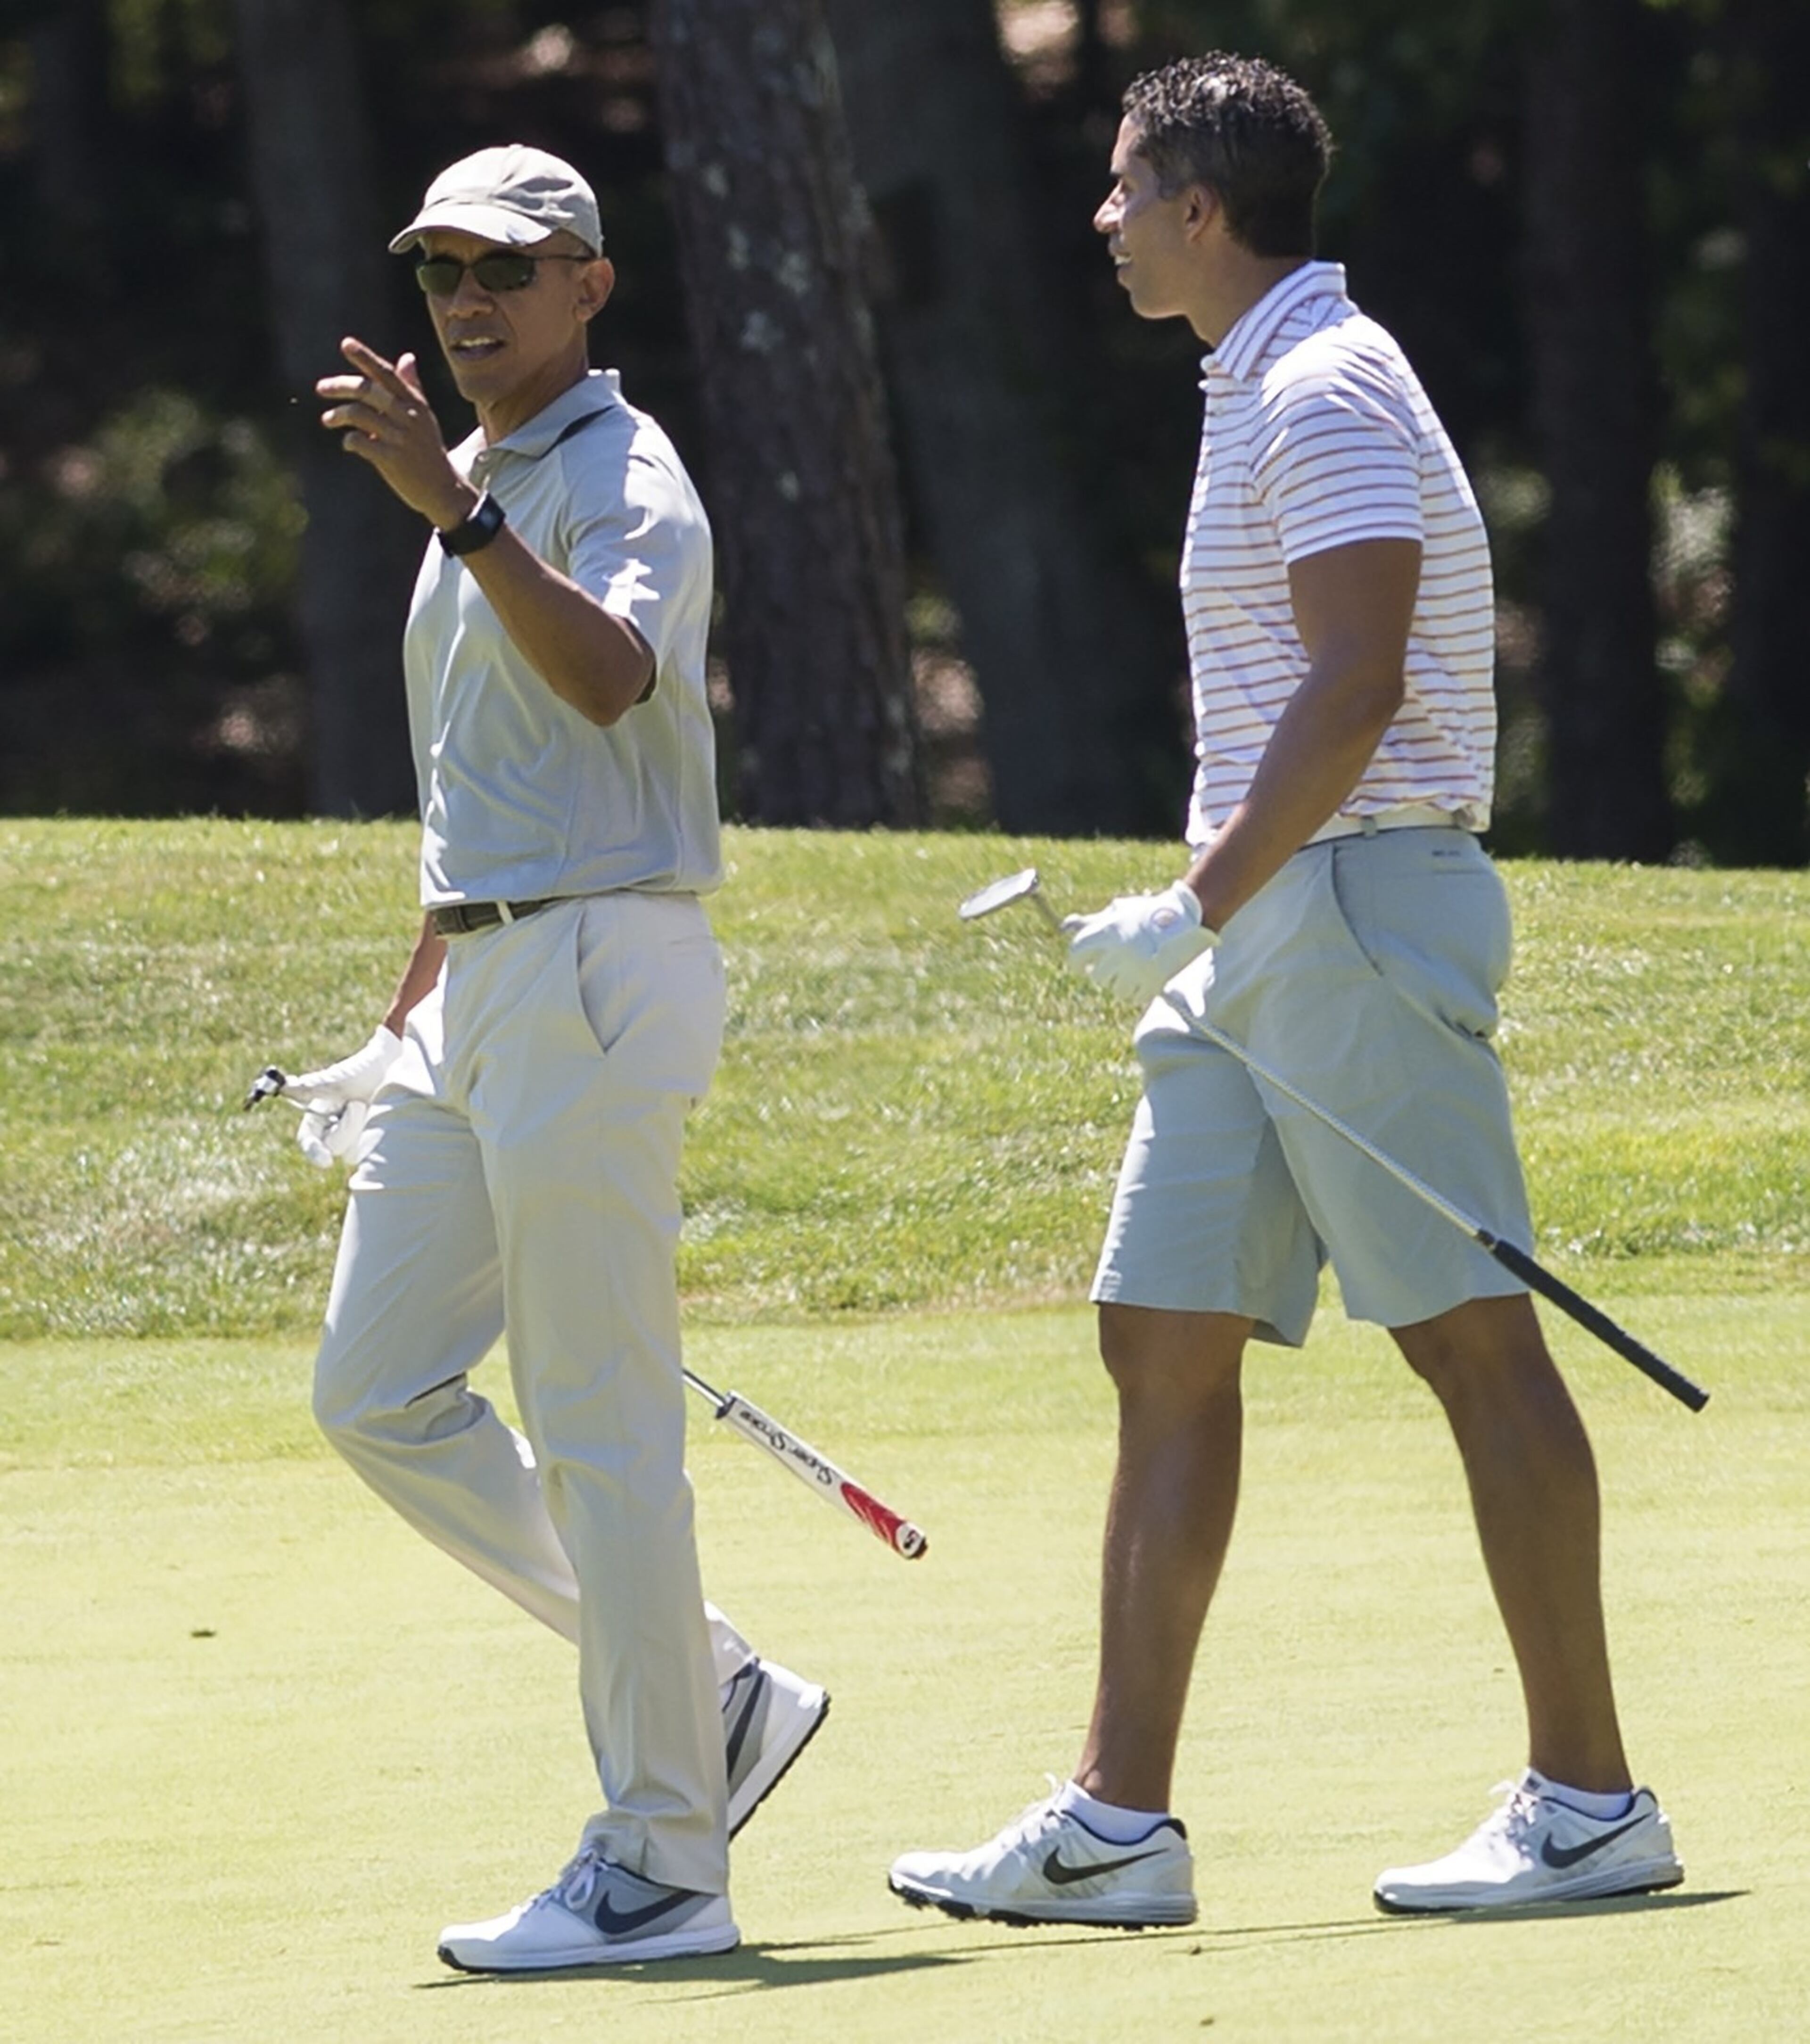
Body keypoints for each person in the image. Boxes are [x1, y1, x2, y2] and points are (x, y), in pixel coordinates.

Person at [888, 54, 1680, 1928]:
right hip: (1261, 936)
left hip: (1347, 906)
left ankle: (1591, 1799)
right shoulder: (1258, 377)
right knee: (1162, 1331)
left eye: (1119, 187)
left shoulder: (1323, 386)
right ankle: (1117, 1824)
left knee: (1470, 1333)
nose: (1099, 218)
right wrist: (1213, 922)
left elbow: (1360, 685)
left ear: (1199, 207)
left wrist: (1198, 897)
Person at [291, 143, 827, 1973]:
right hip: (491, 987)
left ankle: (666, 1861)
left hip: (604, 973)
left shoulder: (617, 474)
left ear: (589, 287)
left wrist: (452, 510)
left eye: (504, 270)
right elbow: (495, 776)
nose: (466, 303)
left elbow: (609, 682)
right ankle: (719, 1690)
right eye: (443, 271)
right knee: (377, 1386)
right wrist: (412, 991)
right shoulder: (494, 478)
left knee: (602, 1425)